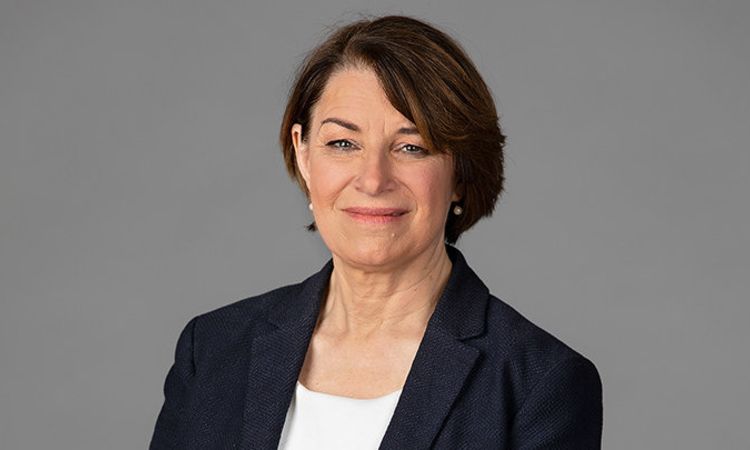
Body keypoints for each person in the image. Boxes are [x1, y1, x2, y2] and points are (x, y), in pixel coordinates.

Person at [149, 14, 602, 450]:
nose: (372, 179)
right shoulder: (213, 349)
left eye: (411, 147)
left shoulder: (538, 384)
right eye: (343, 143)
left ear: (461, 173)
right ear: (303, 155)